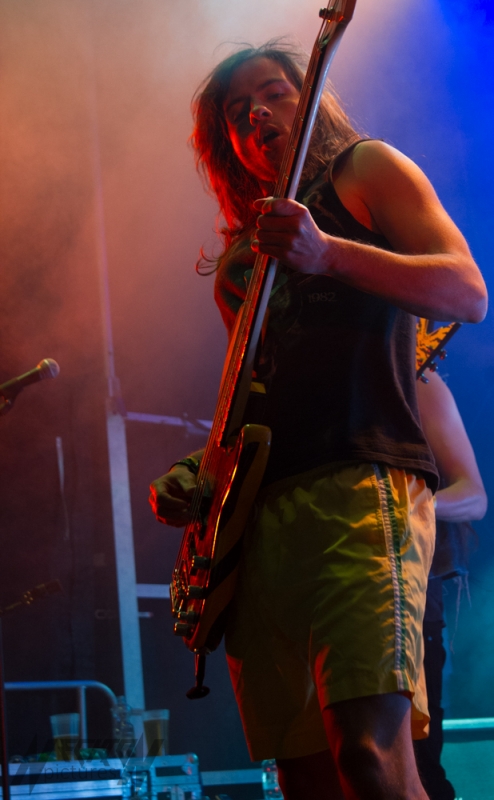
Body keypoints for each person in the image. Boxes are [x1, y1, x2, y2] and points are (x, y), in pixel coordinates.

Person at [149, 43, 487, 800]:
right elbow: (257, 392)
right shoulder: (242, 259)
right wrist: (201, 471)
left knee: (369, 759)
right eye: (238, 112)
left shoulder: (364, 169)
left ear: (312, 101)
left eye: (274, 93)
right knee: (306, 778)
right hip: (259, 525)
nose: (258, 114)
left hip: (360, 487)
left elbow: (467, 291)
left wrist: (327, 252)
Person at [414, 369, 487, 800]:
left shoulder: (418, 379)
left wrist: (403, 506)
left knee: (418, 768)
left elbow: (473, 496)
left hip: (410, 604)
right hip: (315, 598)